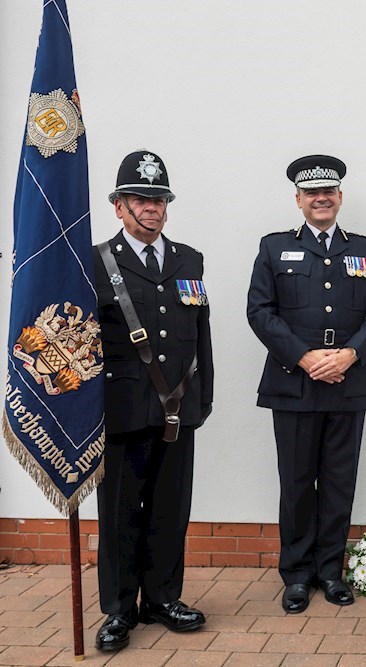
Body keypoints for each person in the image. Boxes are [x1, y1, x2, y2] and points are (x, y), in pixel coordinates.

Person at [247, 154, 366, 613]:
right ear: (299, 200)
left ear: (340, 197)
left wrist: (350, 354)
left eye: (328, 192)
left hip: (347, 382)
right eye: (312, 193)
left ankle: (331, 571)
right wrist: (305, 356)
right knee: (295, 482)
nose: (321, 199)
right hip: (294, 383)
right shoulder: (273, 248)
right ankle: (296, 574)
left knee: (338, 482)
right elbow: (260, 312)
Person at [93, 150, 213, 651]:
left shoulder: (189, 258)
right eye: (141, 199)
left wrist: (201, 400)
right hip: (119, 409)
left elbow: (200, 332)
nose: (152, 208)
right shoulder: (96, 260)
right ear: (118, 206)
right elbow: (81, 339)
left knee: (170, 507)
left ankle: (162, 598)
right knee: (120, 511)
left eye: (159, 199)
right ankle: (119, 610)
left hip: (176, 407)